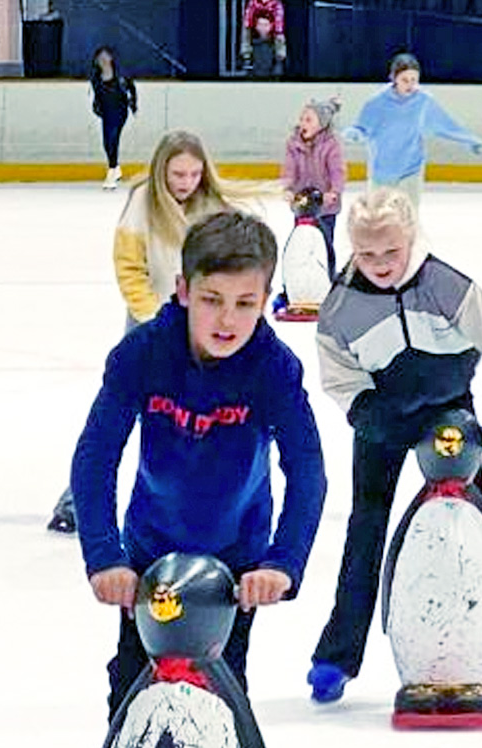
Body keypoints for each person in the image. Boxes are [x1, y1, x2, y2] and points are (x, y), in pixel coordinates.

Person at [52, 210, 327, 748]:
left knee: (217, 710)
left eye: (244, 302)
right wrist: (106, 558)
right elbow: (94, 455)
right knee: (129, 704)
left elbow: (308, 468)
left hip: (233, 570)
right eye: (212, 300)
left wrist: (281, 563)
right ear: (182, 290)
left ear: (266, 299)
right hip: (149, 563)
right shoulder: (143, 354)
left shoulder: (272, 366)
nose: (227, 318)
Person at [307, 188, 482, 704]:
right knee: (365, 530)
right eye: (367, 254)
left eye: (391, 251)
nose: (381, 264)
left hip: (449, 414)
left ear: (410, 238)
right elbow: (339, 375)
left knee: (474, 528)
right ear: (351, 248)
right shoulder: (341, 306)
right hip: (382, 416)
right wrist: (367, 413)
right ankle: (337, 654)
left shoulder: (444, 284)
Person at [47, 129, 264, 533]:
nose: (185, 183)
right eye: (178, 175)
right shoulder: (141, 206)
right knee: (117, 416)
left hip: (203, 332)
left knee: (191, 421)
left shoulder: (213, 209)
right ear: (161, 171)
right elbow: (130, 270)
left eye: (194, 174)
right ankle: (75, 502)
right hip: (150, 329)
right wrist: (154, 322)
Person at [342, 52, 482, 212]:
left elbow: (444, 125)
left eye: (414, 80)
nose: (410, 84)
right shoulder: (376, 102)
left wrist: (469, 139)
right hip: (382, 171)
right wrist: (354, 133)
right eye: (405, 80)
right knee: (378, 220)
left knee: (408, 219)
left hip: (411, 169)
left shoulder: (423, 101)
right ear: (394, 78)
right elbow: (362, 128)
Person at [280, 96, 346, 281]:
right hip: (302, 204)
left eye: (308, 119)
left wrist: (334, 191)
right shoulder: (293, 143)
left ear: (322, 124)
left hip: (326, 207)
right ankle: (295, 281)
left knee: (325, 244)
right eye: (302, 118)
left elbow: (337, 171)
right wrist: (288, 187)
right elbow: (289, 168)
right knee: (300, 243)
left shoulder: (331, 145)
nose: (302, 123)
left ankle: (328, 277)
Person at [89, 45, 137, 191]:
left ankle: (111, 172)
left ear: (111, 58)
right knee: (107, 142)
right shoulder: (96, 78)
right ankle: (115, 168)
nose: (103, 60)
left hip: (120, 111)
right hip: (106, 113)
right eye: (100, 58)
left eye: (105, 57)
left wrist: (133, 103)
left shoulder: (121, 75)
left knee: (113, 138)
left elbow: (132, 88)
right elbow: (96, 95)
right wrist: (96, 106)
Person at [240, 0, 286, 78]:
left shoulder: (276, 4)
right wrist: (257, 25)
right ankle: (247, 59)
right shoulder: (253, 3)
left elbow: (279, 22)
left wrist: (269, 27)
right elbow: (248, 18)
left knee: (279, 35)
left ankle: (279, 60)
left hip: (271, 28)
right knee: (245, 32)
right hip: (256, 27)